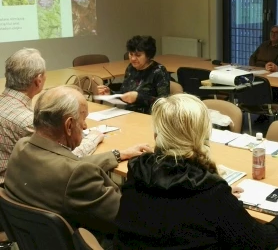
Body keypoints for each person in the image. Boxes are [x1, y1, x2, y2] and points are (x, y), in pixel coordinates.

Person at [114, 94, 278, 249]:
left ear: (157, 135)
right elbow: (263, 241)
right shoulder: (210, 192)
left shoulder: (138, 170)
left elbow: (173, 217)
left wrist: (224, 200)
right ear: (203, 137)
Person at [4, 86, 152, 242]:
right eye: (83, 119)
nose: (85, 126)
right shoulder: (77, 176)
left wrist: (118, 154)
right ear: (68, 125)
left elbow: (69, 164)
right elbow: (127, 216)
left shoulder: (21, 147)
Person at [0, 48, 103, 186]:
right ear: (38, 80)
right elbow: (66, 160)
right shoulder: (28, 122)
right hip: (18, 188)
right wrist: (95, 137)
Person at [98, 35, 170, 114]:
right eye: (131, 54)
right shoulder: (131, 68)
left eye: (138, 55)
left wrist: (138, 98)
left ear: (148, 56)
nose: (133, 59)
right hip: (128, 113)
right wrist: (111, 93)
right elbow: (125, 94)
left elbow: (164, 102)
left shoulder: (159, 71)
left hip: (149, 116)